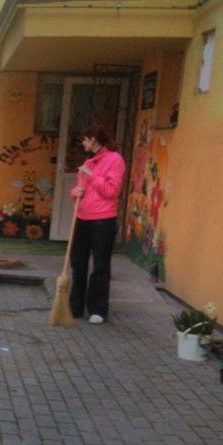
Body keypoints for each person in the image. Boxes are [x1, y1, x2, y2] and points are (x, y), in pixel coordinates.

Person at [68, 123, 126, 324]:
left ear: (93, 140)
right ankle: (75, 306)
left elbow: (112, 191)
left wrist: (93, 177)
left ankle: (98, 309)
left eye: (84, 139)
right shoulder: (88, 161)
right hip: (82, 217)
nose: (83, 143)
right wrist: (75, 193)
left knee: (100, 265)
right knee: (78, 263)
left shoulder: (115, 160)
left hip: (103, 219)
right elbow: (78, 188)